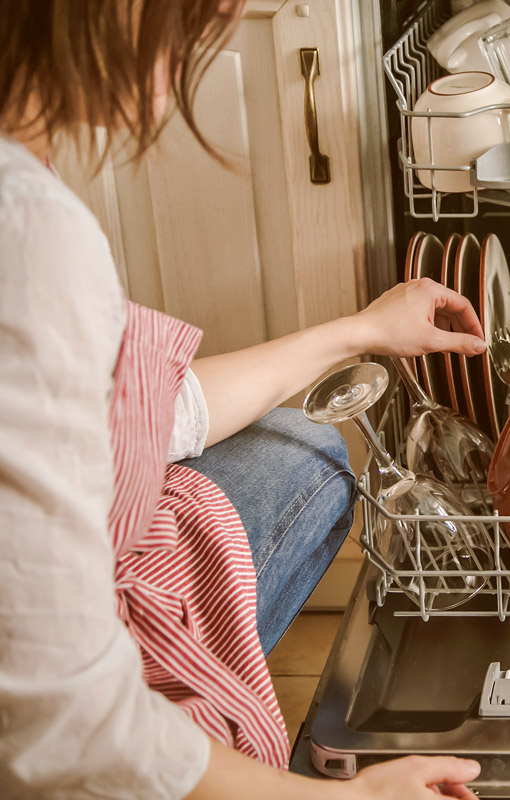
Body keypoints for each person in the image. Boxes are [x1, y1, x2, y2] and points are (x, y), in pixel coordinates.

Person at [1, 1, 484, 797]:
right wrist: (347, 798)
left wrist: (358, 330)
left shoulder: (27, 184)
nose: (196, 55)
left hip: (78, 555)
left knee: (309, 448)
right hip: (48, 705)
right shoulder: (28, 235)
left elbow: (160, 411)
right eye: (191, 26)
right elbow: (60, 722)